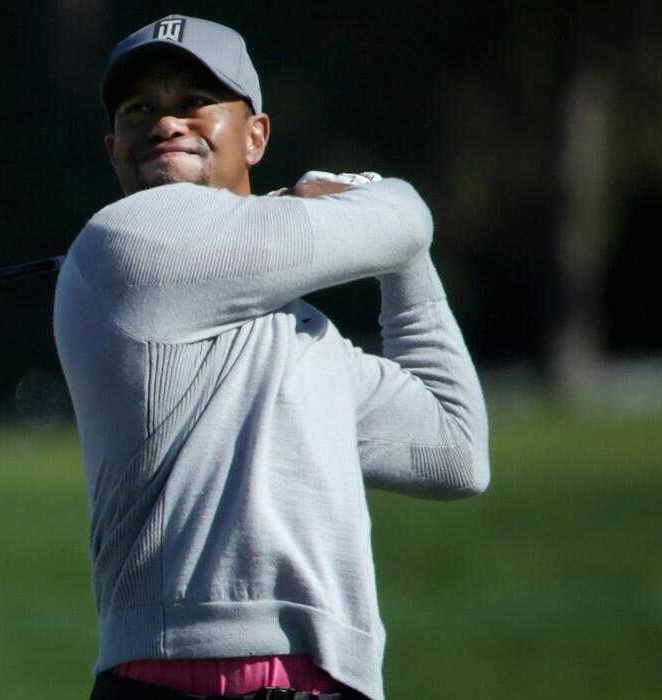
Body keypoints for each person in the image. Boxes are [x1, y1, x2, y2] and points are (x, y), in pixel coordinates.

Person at [53, 14, 490, 700]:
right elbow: (406, 217)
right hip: (166, 683)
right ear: (114, 150)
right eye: (141, 109)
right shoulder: (125, 242)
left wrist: (404, 264)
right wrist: (374, 197)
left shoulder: (304, 338)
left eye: (195, 102)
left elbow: (455, 449)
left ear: (256, 136)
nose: (166, 124)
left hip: (328, 684)